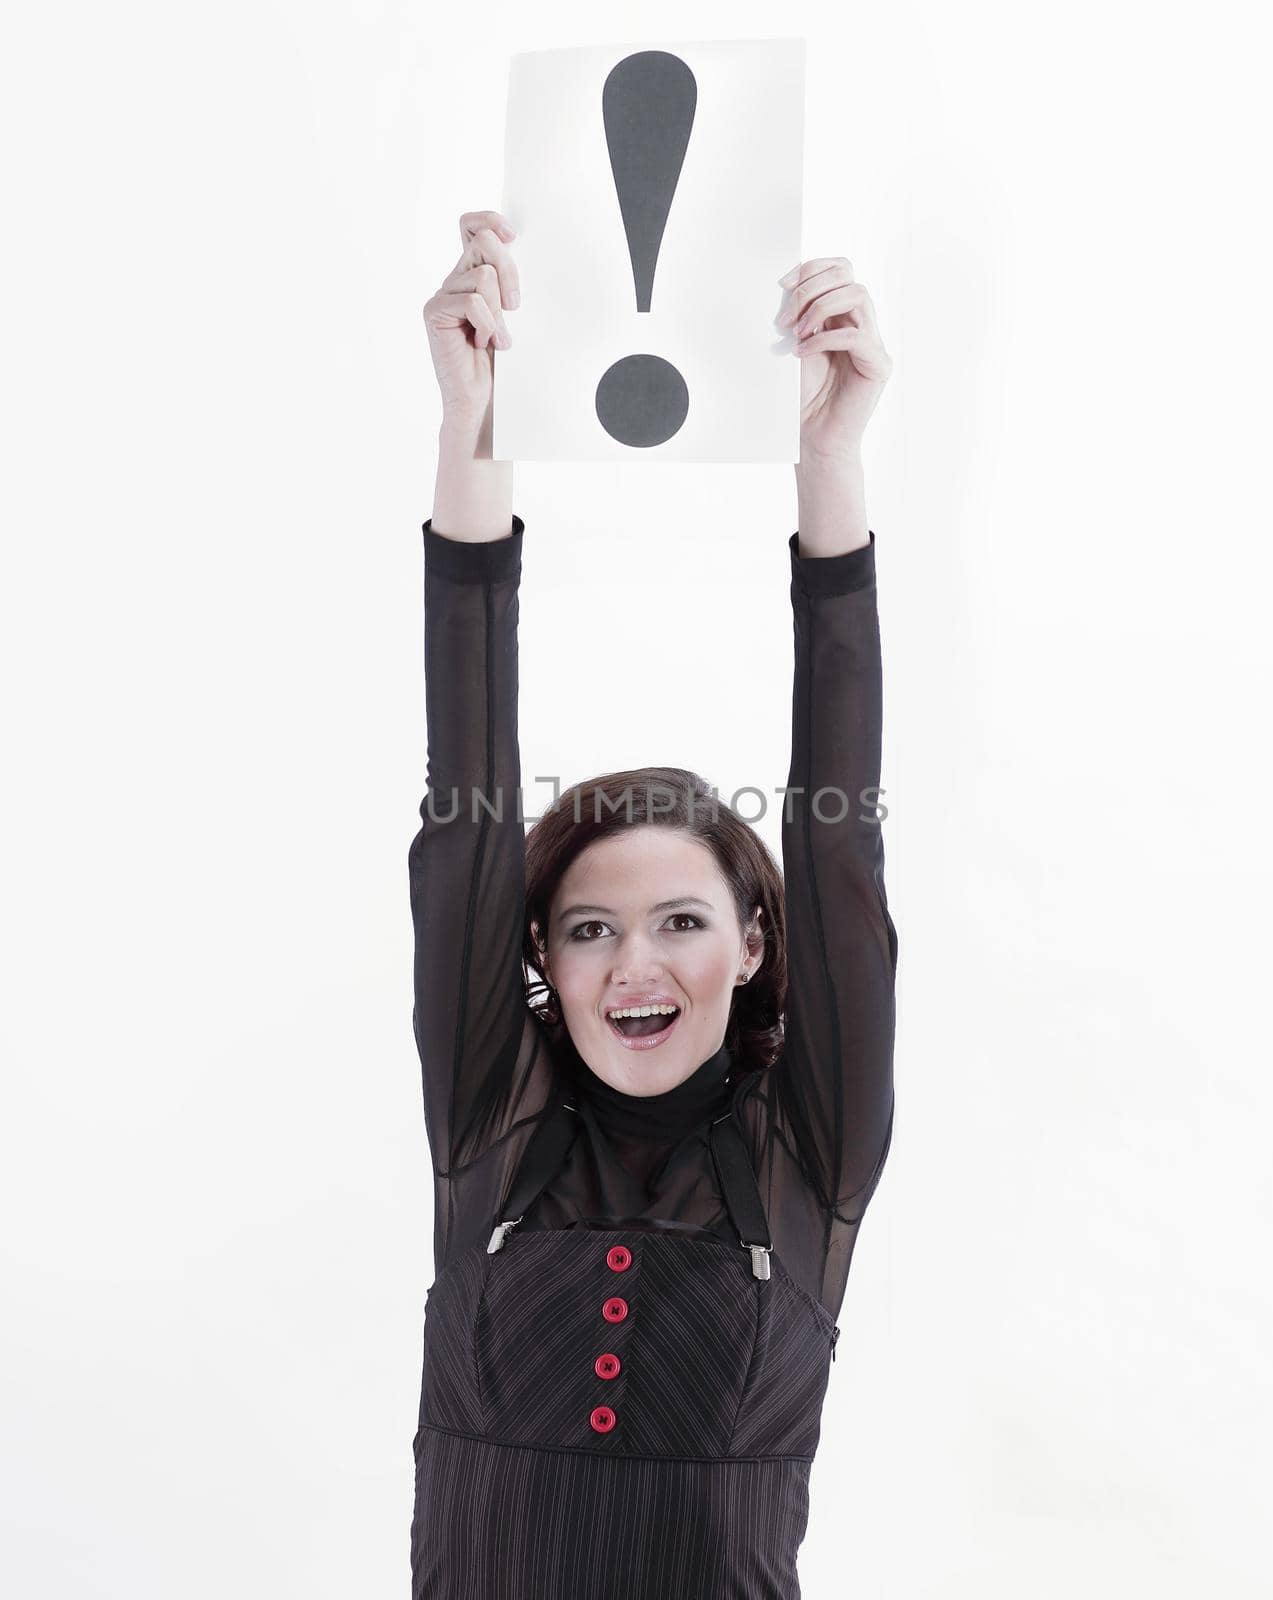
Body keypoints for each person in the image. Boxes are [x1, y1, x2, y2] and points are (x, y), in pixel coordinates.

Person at [408, 207, 898, 1599]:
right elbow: (469, 806)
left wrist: (831, 461)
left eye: (683, 920)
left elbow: (841, 845)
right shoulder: (490, 1130)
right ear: (542, 966)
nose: (636, 960)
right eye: (588, 927)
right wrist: (472, 430)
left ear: (754, 946)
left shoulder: (814, 1152)